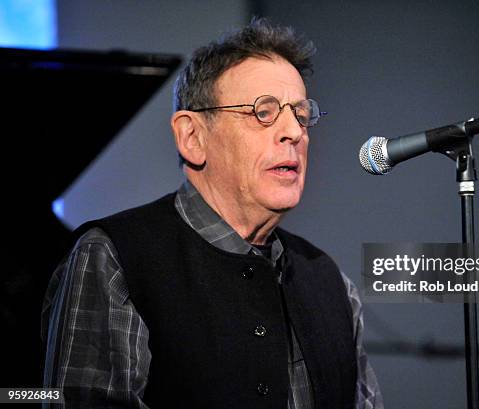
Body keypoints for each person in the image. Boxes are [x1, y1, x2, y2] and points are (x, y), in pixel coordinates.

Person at [42, 18, 383, 409]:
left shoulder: (331, 282)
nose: (294, 132)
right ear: (192, 137)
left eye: (302, 115)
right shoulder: (114, 258)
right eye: (264, 112)